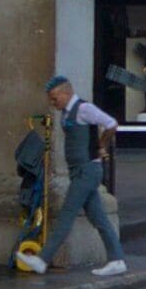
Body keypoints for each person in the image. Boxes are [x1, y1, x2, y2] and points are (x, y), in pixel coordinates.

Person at [34, 75, 127, 276]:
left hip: (87, 170)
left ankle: (42, 259)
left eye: (54, 97)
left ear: (66, 93)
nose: (52, 102)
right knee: (99, 218)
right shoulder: (66, 113)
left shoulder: (84, 109)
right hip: (79, 171)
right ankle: (117, 259)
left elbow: (111, 123)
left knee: (67, 214)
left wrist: (101, 145)